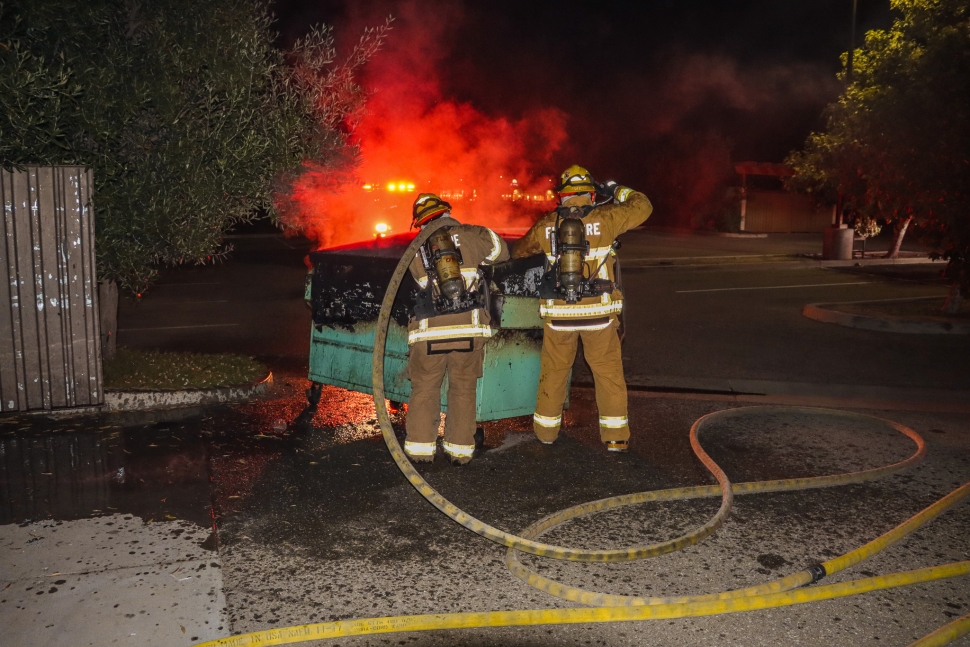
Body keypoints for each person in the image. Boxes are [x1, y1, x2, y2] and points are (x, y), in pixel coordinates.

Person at [513, 165, 652, 452]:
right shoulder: (607, 217)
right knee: (608, 374)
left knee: (554, 372)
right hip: (598, 316)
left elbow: (519, 252)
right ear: (591, 193)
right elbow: (644, 206)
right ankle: (615, 440)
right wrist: (615, 189)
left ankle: (546, 434)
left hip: (559, 316)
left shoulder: (547, 223)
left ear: (561, 196)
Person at [404, 193, 509, 465]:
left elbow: (417, 280)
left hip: (429, 332)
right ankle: (460, 452)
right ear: (446, 211)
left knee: (425, 388)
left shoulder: (416, 245)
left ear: (421, 221)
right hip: (468, 330)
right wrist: (476, 235)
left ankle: (420, 452)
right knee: (463, 388)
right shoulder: (472, 234)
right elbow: (502, 252)